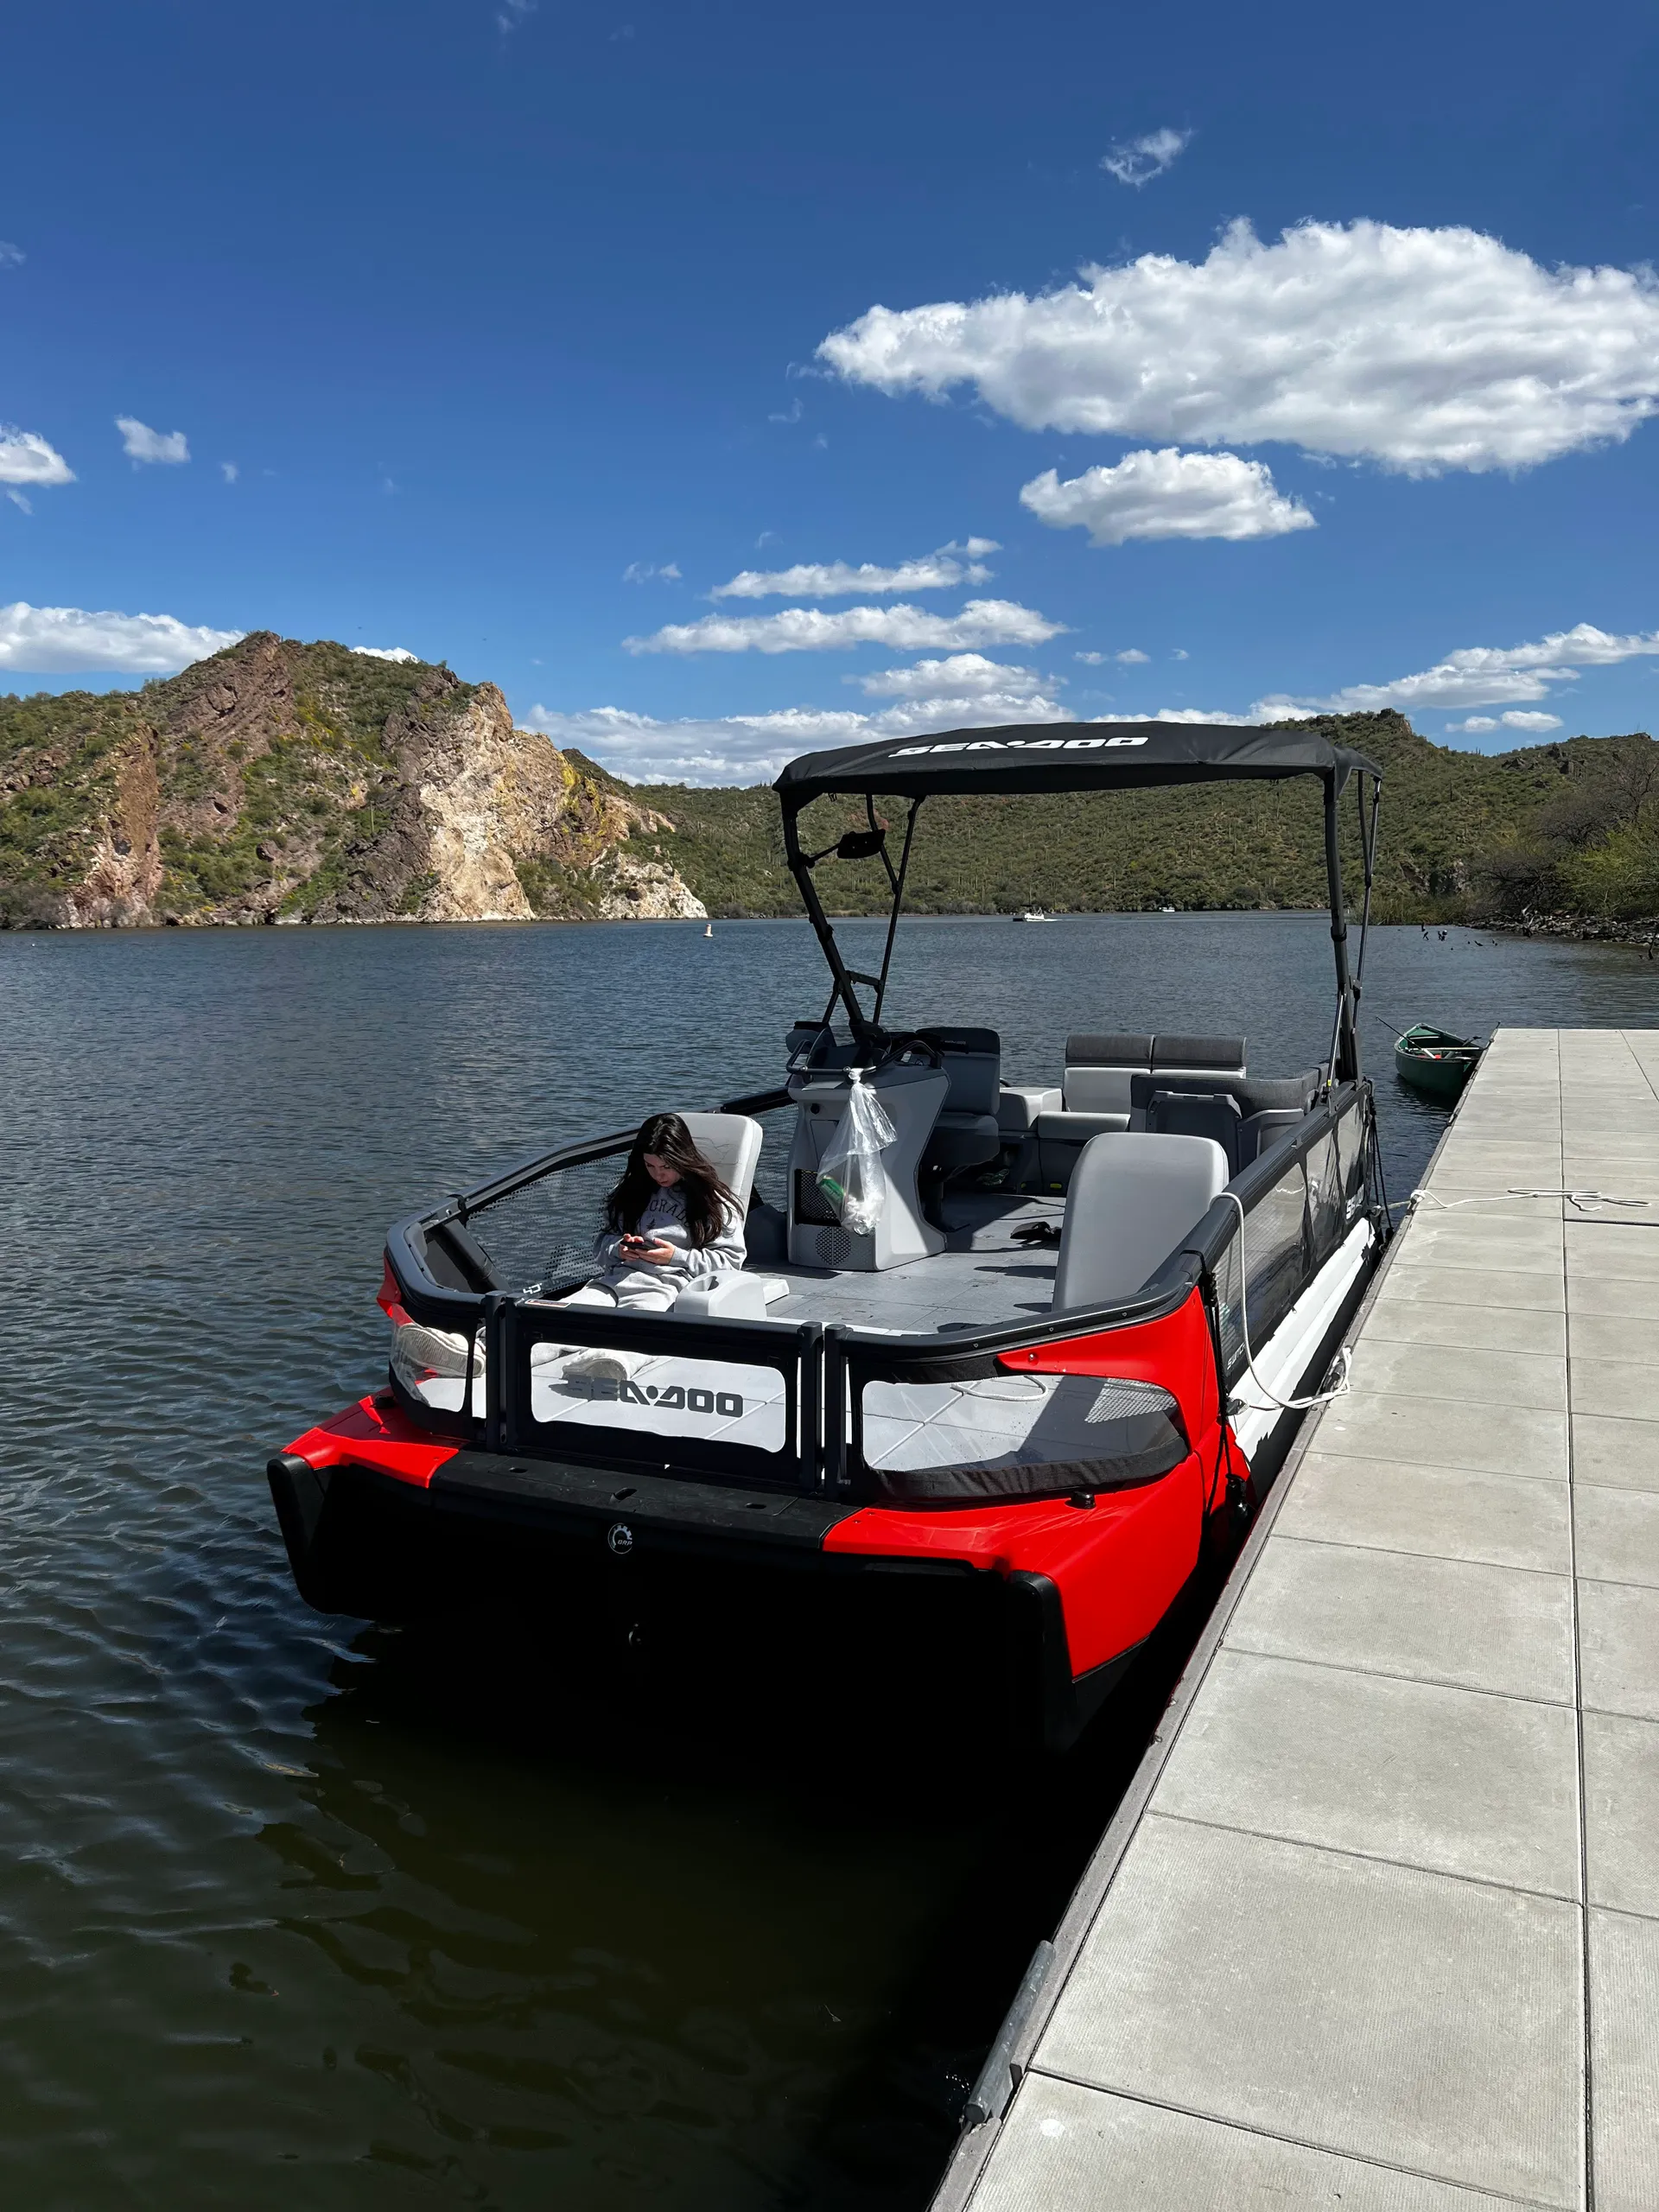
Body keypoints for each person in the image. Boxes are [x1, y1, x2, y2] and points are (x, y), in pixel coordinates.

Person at [559, 1112, 745, 1313]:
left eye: (667, 1166)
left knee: (627, 1338)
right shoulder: (628, 1192)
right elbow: (601, 1246)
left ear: (682, 1158)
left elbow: (731, 1261)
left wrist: (675, 1257)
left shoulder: (711, 1201)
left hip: (664, 1288)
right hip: (612, 1283)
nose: (658, 1174)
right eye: (650, 1165)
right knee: (558, 1321)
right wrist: (619, 1249)